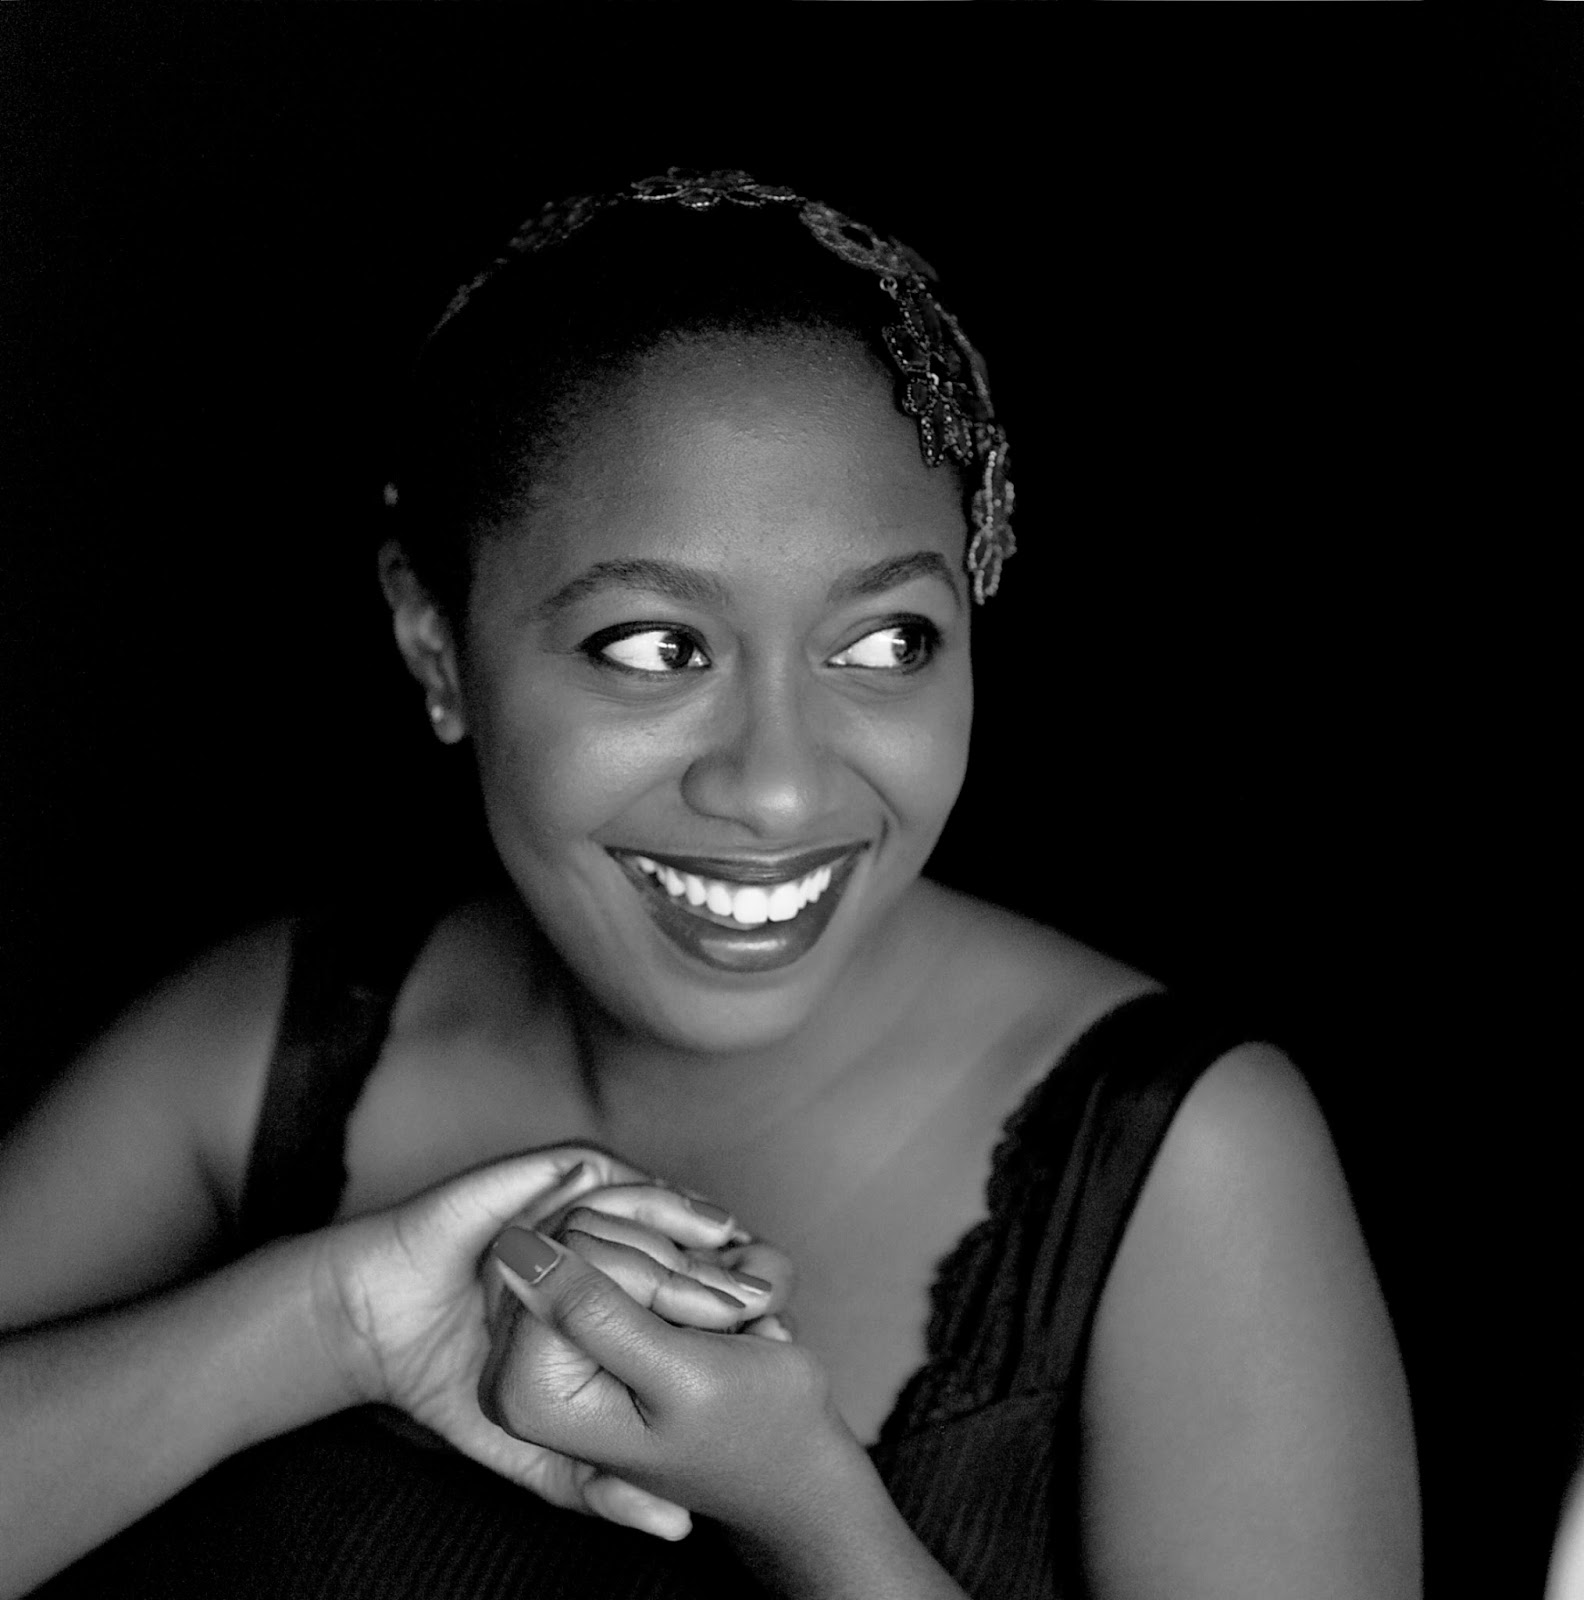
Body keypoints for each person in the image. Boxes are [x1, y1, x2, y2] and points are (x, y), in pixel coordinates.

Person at [0, 169, 1420, 1599]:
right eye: (653, 648)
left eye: (886, 644)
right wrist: (333, 1323)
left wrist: (810, 1512)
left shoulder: (1186, 1160)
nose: (781, 789)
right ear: (438, 648)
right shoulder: (278, 1044)